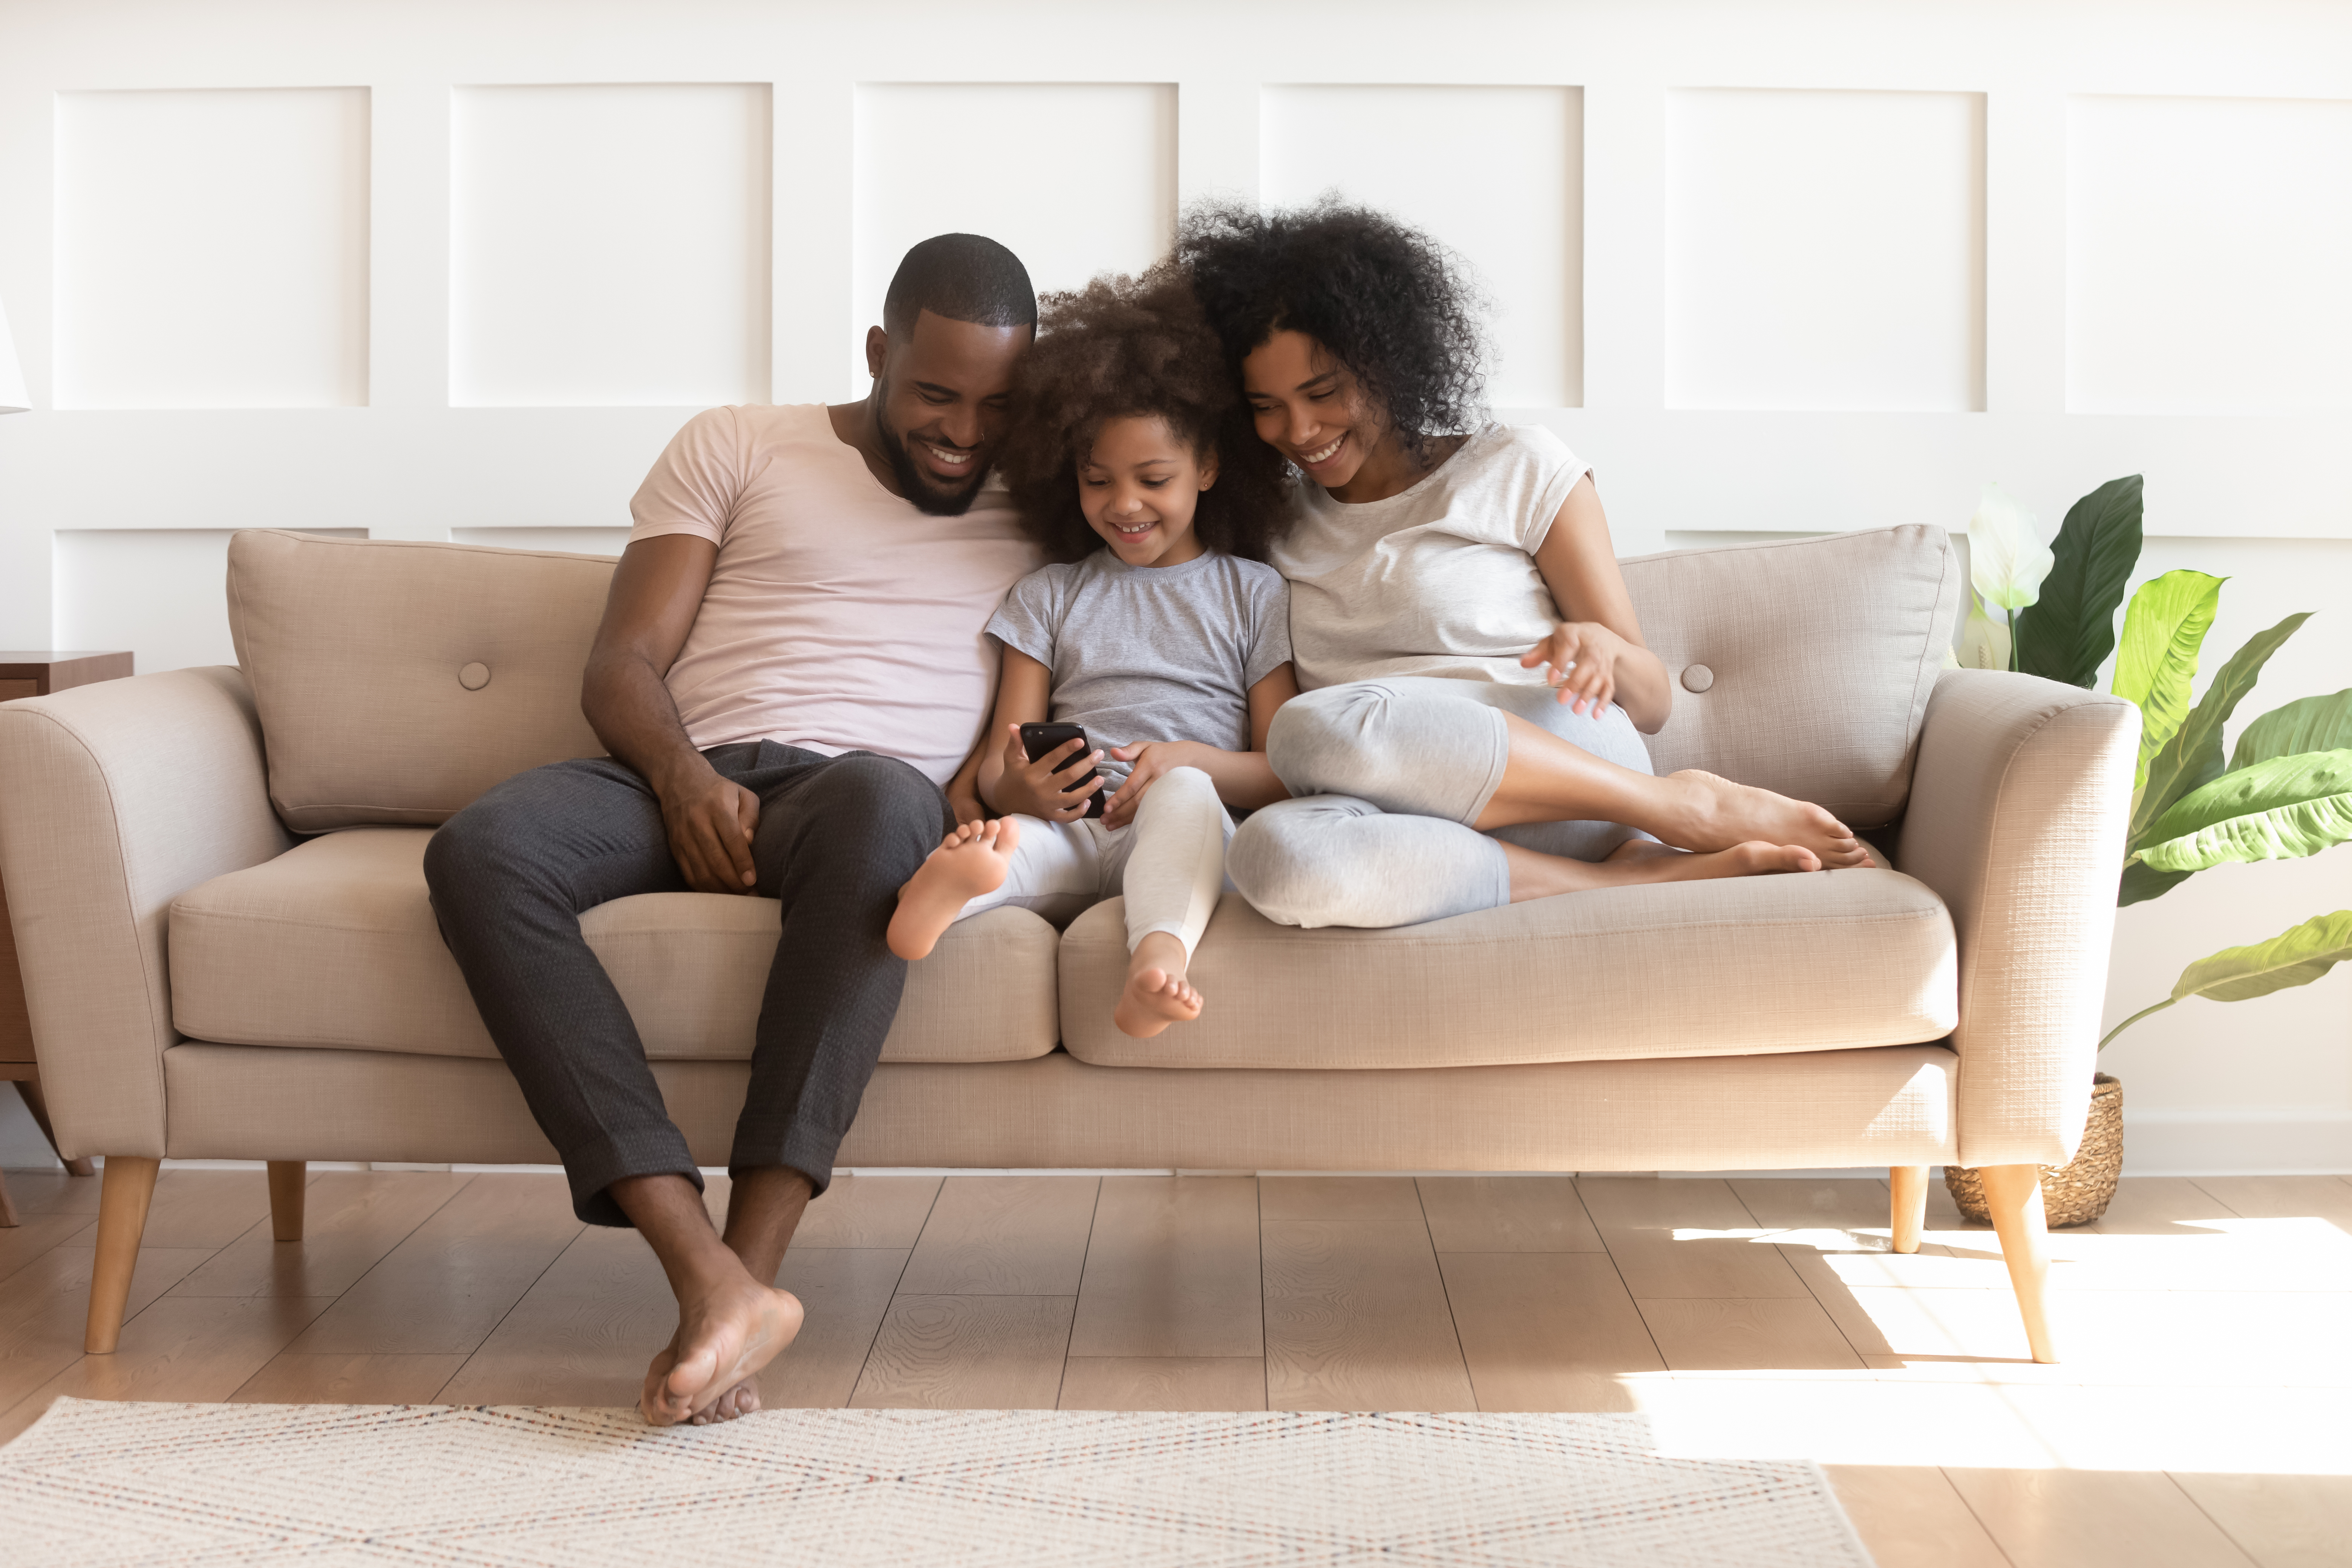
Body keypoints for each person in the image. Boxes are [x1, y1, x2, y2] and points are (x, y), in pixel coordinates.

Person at [422, 234, 1044, 1428]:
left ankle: (743, 1287)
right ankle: (707, 1277)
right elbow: (623, 664)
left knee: (880, 808)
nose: (967, 433)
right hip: (683, 772)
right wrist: (678, 774)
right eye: (936, 395)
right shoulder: (739, 442)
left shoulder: (1057, 493)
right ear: (879, 355)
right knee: (480, 849)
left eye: (999, 407)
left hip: (869, 795)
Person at [1173, 201, 1872, 929]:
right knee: (1271, 857)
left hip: (1571, 787)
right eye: (1267, 406)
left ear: (1385, 360)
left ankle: (1679, 807)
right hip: (1406, 819)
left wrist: (1604, 648)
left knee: (1306, 731)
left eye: (1323, 394)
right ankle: (1616, 884)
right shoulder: (1266, 523)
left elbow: (1655, 702)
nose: (1300, 430)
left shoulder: (1517, 466)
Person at [884, 269, 1297, 1038]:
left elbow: (1281, 769)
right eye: (1097, 480)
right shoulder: (1050, 594)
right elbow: (999, 762)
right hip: (1075, 823)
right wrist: (1019, 793)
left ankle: (1157, 966)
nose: (1124, 504)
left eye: (1154, 479)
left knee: (1183, 803)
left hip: (1187, 823)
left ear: (1207, 469)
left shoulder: (1255, 593)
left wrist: (1186, 762)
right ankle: (946, 898)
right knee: (1013, 848)